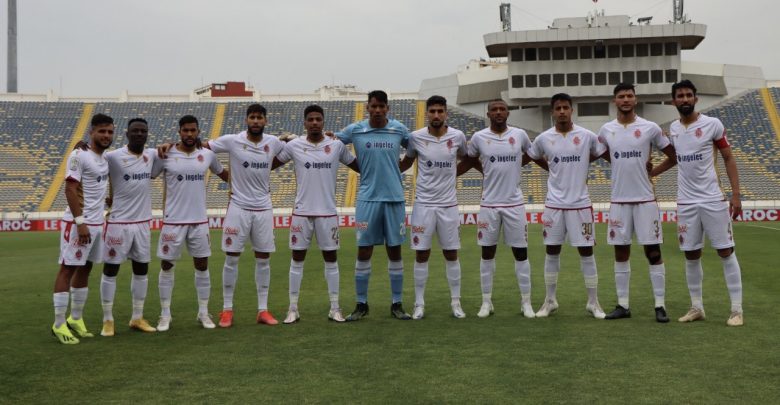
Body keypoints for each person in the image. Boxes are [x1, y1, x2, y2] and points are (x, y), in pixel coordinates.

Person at [651, 80, 744, 326]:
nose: (684, 99)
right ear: (673, 101)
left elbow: (728, 157)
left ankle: (736, 310)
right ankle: (697, 307)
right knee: (691, 254)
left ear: (696, 98)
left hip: (713, 199)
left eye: (688, 95)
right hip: (686, 202)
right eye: (680, 96)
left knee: (725, 251)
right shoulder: (674, 128)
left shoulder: (712, 124)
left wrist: (736, 194)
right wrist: (653, 173)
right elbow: (675, 159)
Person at [597, 83, 677, 323]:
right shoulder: (606, 130)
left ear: (635, 99)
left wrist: (653, 172)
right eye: (621, 96)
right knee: (621, 252)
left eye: (629, 96)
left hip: (645, 200)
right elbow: (601, 152)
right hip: (619, 201)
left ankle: (660, 305)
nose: (626, 99)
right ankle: (623, 305)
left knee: (653, 252)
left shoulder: (650, 128)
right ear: (615, 101)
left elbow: (673, 156)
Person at [274, 105, 360, 324]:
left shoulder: (336, 145)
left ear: (323, 122)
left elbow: (359, 166)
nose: (314, 123)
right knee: (297, 259)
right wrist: (277, 142)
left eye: (318, 119)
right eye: (310, 119)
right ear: (304, 123)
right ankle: (293, 309)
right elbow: (269, 164)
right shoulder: (294, 145)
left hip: (327, 213)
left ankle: (335, 308)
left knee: (331, 259)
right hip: (301, 212)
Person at [528, 93, 608, 319]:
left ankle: (593, 302)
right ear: (552, 112)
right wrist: (549, 166)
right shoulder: (543, 138)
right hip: (554, 205)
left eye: (565, 107)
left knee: (586, 251)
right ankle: (550, 300)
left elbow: (602, 152)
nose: (562, 111)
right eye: (558, 108)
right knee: (552, 250)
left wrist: (584, 161)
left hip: (580, 204)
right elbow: (533, 155)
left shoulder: (586, 136)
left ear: (572, 110)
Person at [336, 90, 412, 321]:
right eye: (373, 106)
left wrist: (398, 170)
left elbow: (414, 149)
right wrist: (355, 165)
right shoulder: (356, 130)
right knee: (364, 250)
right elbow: (331, 143)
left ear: (387, 108)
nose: (377, 110)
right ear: (367, 107)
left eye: (381, 106)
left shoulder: (398, 129)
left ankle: (397, 303)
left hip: (394, 198)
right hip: (367, 199)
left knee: (395, 250)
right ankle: (361, 304)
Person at [462, 99, 542, 319]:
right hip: (489, 204)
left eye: (502, 109)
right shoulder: (479, 137)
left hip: (514, 204)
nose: (498, 112)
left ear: (508, 113)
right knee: (487, 253)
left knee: (521, 253)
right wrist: (451, 175)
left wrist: (554, 169)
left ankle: (526, 302)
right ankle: (486, 302)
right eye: (494, 110)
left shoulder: (520, 135)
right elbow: (469, 160)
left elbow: (533, 155)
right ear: (488, 114)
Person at [154, 115, 228, 331]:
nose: (189, 134)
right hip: (173, 221)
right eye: (185, 130)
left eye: (192, 130)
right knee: (167, 265)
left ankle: (203, 312)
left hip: (199, 220)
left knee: (202, 266)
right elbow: (146, 173)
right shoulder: (165, 154)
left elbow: (226, 175)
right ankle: (165, 314)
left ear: (198, 132)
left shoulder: (207, 155)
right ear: (179, 132)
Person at [398, 95, 469, 319]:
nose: (436, 115)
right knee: (422, 254)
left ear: (446, 113)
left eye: (440, 111)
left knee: (451, 253)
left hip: (448, 205)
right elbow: (406, 162)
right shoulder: (416, 137)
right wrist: (385, 172)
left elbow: (467, 159)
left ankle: (456, 302)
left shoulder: (457, 136)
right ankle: (419, 304)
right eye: (432, 111)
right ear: (427, 113)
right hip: (423, 205)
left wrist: (453, 174)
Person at [51, 113, 114, 344]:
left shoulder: (104, 158)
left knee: (86, 269)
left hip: (97, 224)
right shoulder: (79, 155)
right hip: (79, 224)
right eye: (102, 131)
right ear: (91, 132)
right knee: (67, 269)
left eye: (110, 132)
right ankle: (59, 324)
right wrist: (80, 222)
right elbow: (70, 189)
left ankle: (75, 319)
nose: (106, 135)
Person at [99, 118, 158, 336]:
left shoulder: (152, 155)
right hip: (118, 223)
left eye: (143, 131)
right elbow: (93, 164)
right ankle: (108, 320)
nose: (139, 134)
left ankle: (137, 317)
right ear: (127, 134)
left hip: (142, 223)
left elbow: (171, 153)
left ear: (147, 134)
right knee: (110, 270)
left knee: (141, 270)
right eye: (135, 131)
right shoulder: (113, 156)